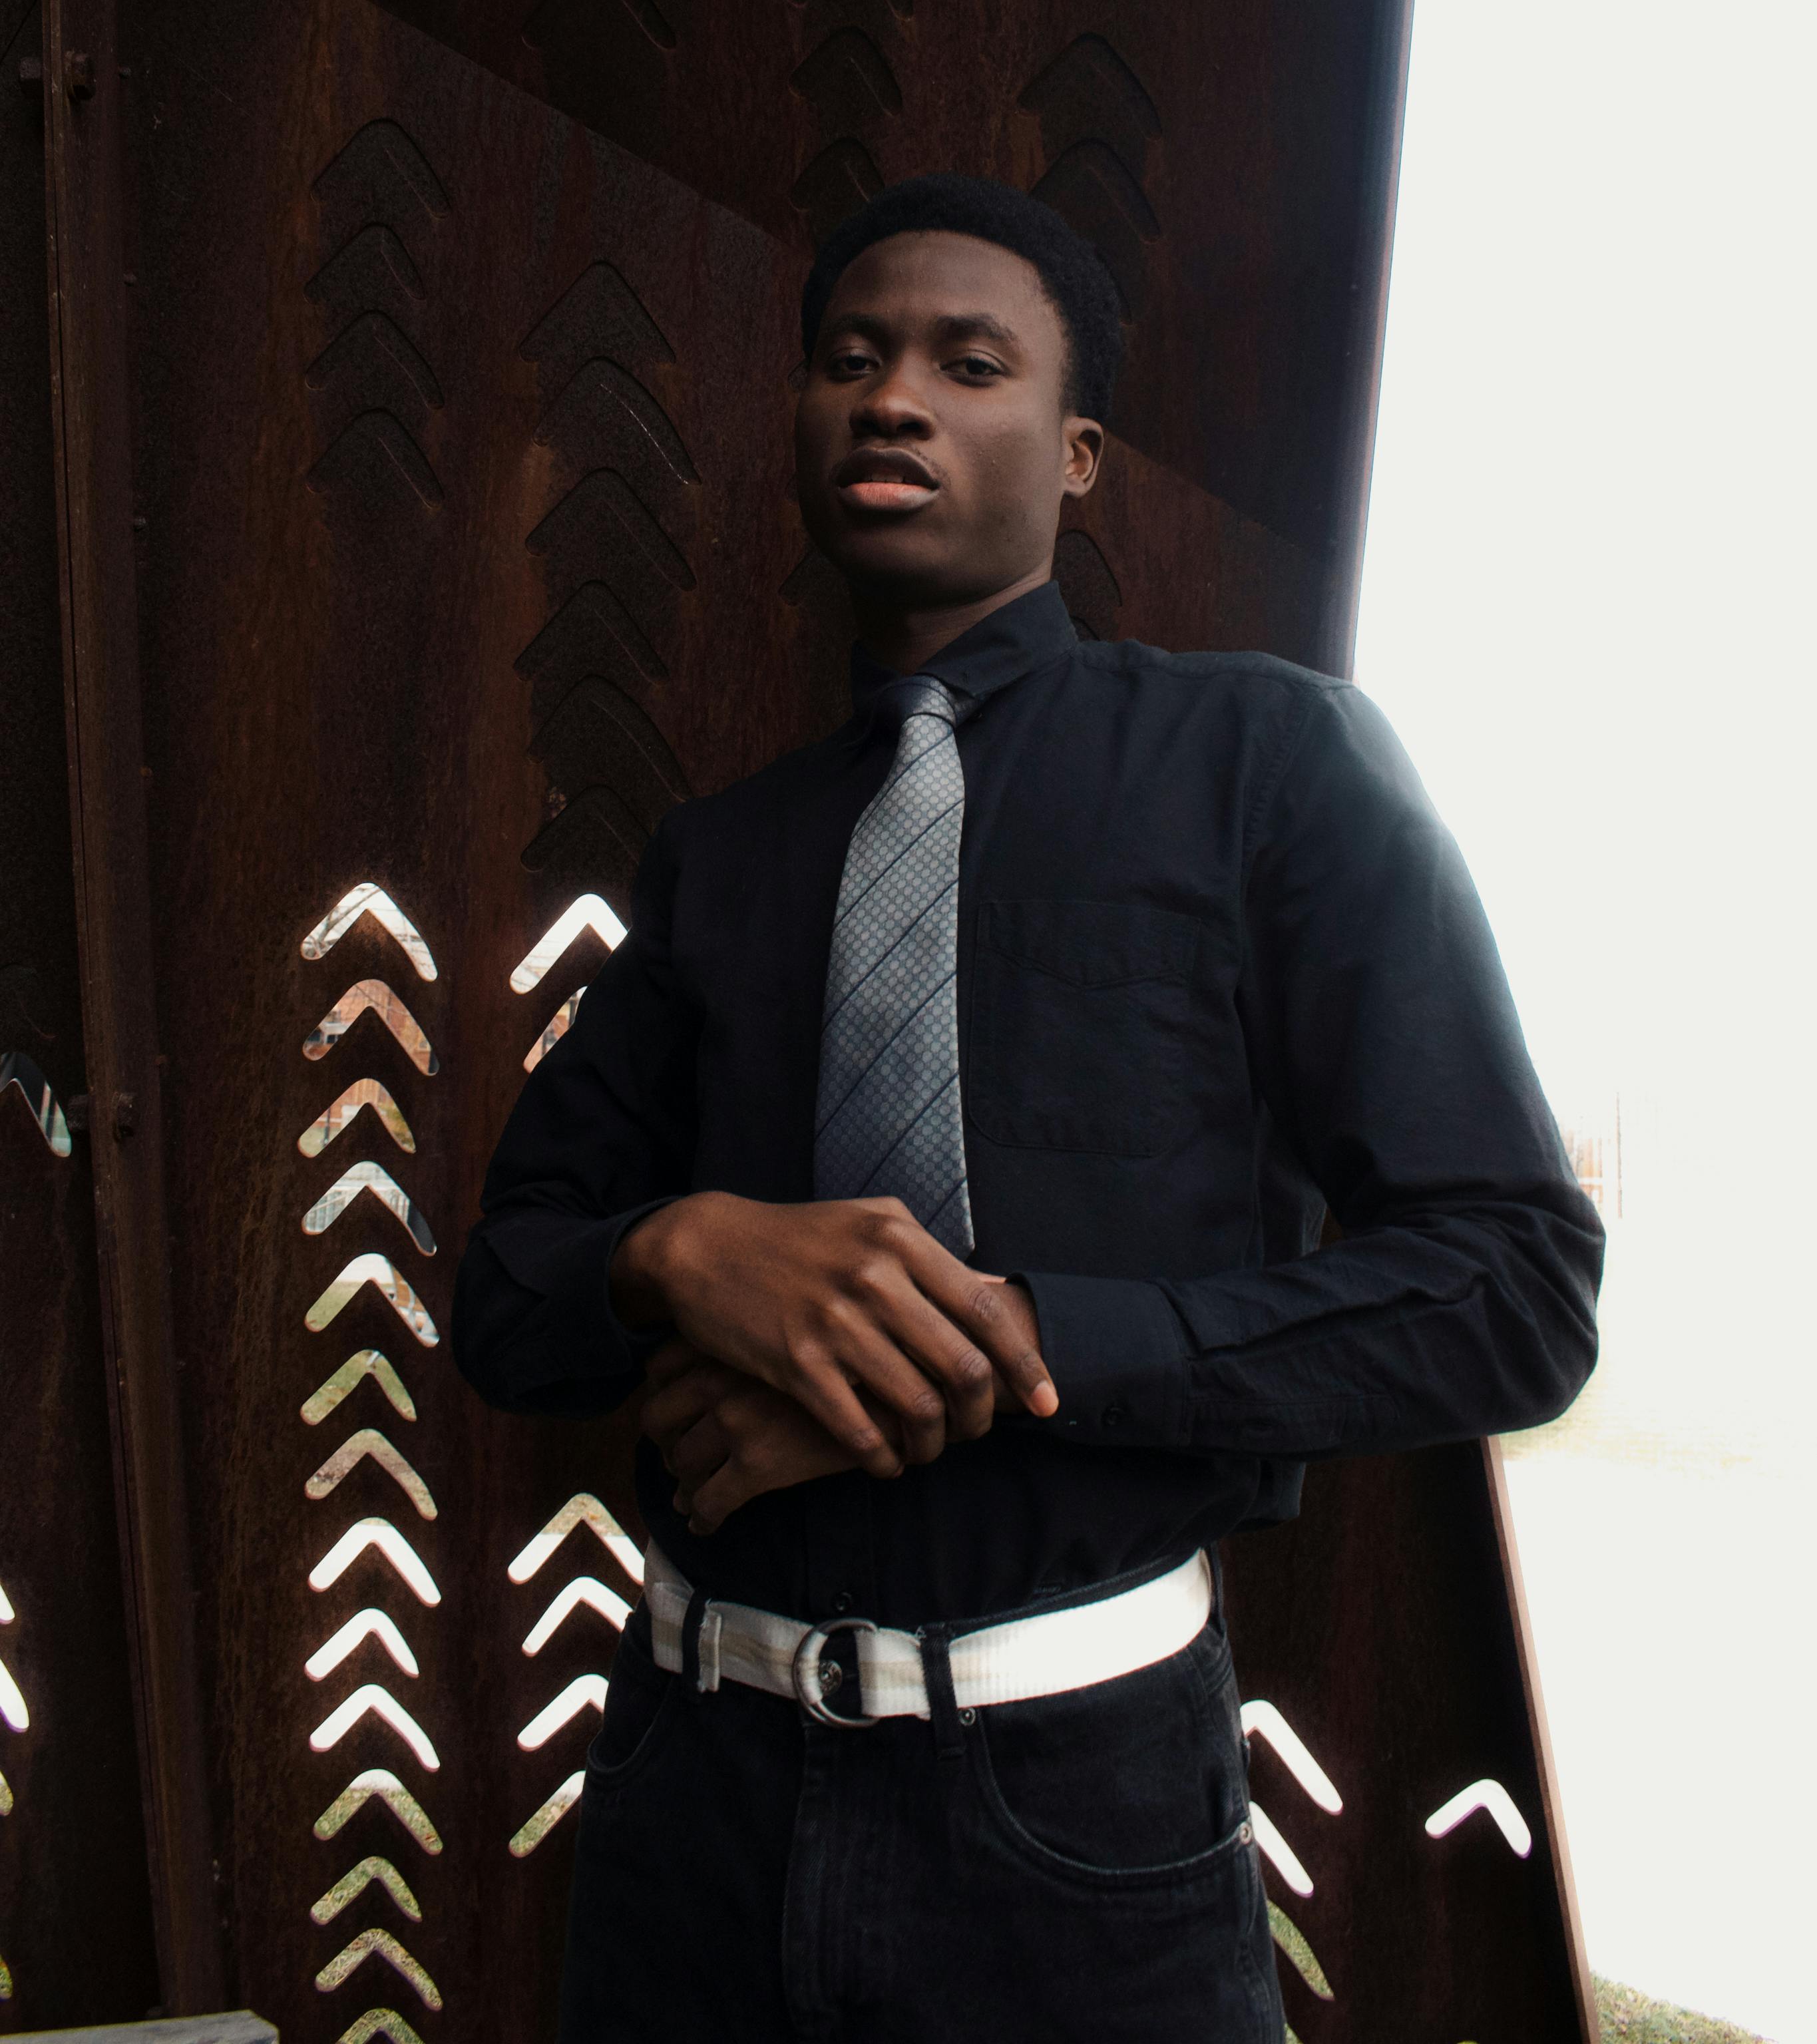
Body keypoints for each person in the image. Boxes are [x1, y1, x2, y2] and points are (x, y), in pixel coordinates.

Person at [454, 173, 1603, 2043]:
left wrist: (1008, 1343)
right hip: (689, 1788)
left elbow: (1510, 1291)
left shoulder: (1264, 762)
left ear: (1075, 456)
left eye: (963, 364)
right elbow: (503, 1296)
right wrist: (673, 1253)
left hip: (1077, 1813)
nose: (891, 397)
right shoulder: (718, 860)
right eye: (849, 360)